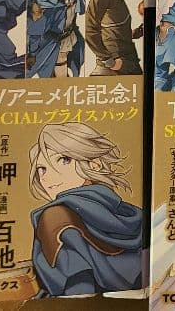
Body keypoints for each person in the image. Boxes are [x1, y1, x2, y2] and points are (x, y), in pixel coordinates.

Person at [28, 122, 144, 296]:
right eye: (41, 169)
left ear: (94, 164)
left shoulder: (56, 216)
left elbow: (77, 286)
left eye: (64, 160)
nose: (47, 176)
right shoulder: (133, 214)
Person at [27, 0, 86, 78]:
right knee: (53, 65)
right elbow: (35, 30)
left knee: (71, 61)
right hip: (48, 41)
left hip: (70, 34)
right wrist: (32, 52)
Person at [85, 0, 143, 75]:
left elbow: (115, 28)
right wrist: (108, 60)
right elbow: (91, 29)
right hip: (116, 62)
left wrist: (139, 31)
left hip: (127, 59)